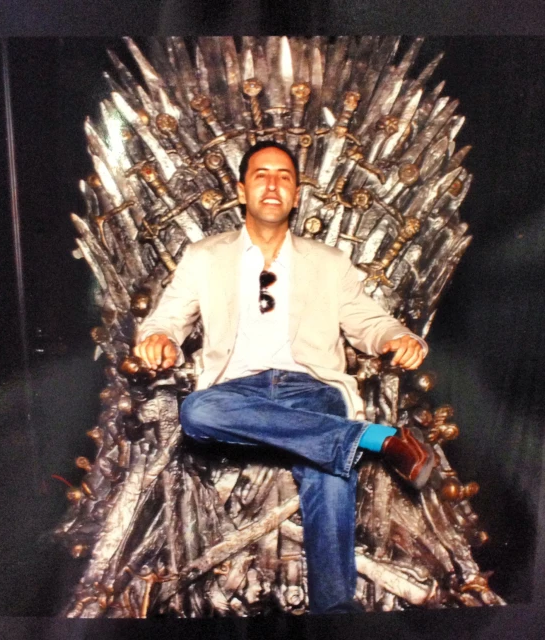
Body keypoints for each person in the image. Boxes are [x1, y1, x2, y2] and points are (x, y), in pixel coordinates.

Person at [134, 140, 433, 614]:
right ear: (241, 190)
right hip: (236, 399)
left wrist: (398, 338)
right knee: (197, 409)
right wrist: (159, 339)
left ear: (295, 194)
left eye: (284, 177)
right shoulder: (204, 256)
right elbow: (165, 320)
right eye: (260, 175)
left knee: (326, 466)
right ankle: (373, 438)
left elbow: (368, 321)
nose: (272, 184)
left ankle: (333, 616)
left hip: (312, 392)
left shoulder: (327, 262)